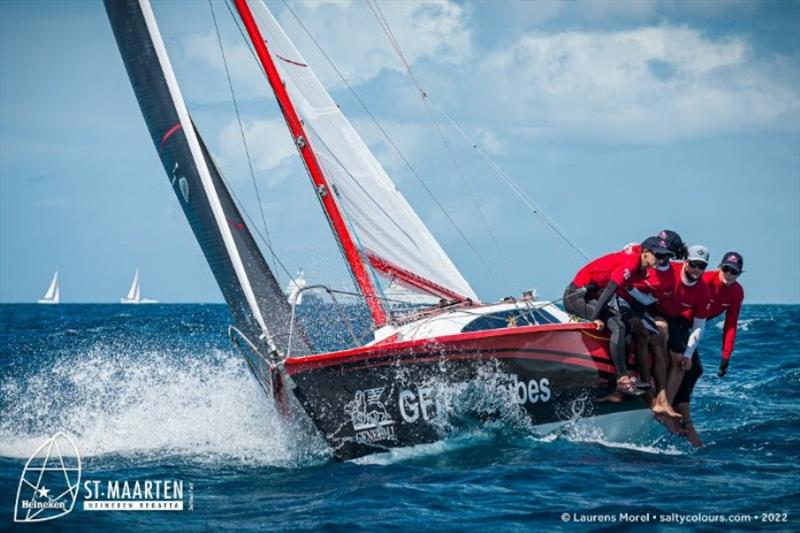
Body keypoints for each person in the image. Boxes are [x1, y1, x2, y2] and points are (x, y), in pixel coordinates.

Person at [563, 237, 670, 395]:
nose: (661, 260)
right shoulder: (632, 263)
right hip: (575, 296)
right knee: (618, 326)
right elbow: (610, 289)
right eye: (658, 256)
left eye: (664, 257)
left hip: (591, 296)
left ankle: (620, 375)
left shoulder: (641, 271)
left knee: (625, 324)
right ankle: (622, 379)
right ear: (645, 253)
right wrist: (594, 317)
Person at [621, 230, 686, 419]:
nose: (660, 256)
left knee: (658, 334)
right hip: (621, 300)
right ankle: (644, 389)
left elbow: (649, 301)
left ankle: (660, 397)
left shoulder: (670, 275)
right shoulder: (635, 251)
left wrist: (630, 289)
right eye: (658, 249)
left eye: (666, 253)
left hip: (643, 307)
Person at [661, 245, 712, 447]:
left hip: (677, 321)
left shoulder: (702, 291)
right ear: (685, 262)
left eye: (702, 267)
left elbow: (699, 327)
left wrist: (689, 354)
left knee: (692, 367)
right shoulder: (668, 271)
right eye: (693, 265)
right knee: (670, 351)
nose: (697, 270)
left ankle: (673, 409)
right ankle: (663, 404)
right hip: (652, 312)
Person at [703, 252, 745, 377]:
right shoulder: (706, 279)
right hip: (677, 318)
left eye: (734, 271)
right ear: (720, 267)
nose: (729, 274)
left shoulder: (737, 292)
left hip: (693, 326)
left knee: (693, 371)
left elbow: (730, 325)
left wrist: (726, 356)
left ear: (739, 274)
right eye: (726, 268)